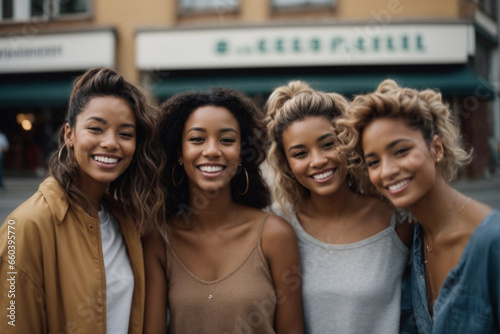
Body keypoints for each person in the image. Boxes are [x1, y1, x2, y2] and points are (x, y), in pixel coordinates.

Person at [0, 67, 164, 334]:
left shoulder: (128, 220)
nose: (111, 143)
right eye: (96, 129)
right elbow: (12, 322)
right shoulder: (24, 226)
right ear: (69, 135)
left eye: (125, 134)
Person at [335, 79, 500, 333]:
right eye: (374, 162)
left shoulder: (492, 240)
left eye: (400, 151)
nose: (387, 171)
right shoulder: (414, 238)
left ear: (436, 148)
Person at [143, 88, 303, 334]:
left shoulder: (274, 235)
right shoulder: (159, 239)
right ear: (179, 152)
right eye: (197, 139)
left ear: (240, 153)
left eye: (227, 140)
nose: (212, 151)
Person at [265, 81, 413, 334]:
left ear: (347, 142)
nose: (318, 160)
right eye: (300, 154)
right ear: (286, 164)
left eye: (328, 144)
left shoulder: (398, 218)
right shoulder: (278, 226)